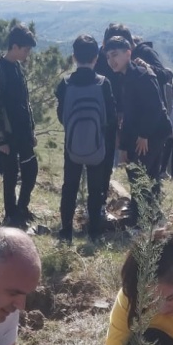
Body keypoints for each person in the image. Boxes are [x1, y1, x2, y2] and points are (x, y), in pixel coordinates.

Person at [54, 34, 116, 243]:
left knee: (69, 188)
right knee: (96, 190)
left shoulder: (65, 84)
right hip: (98, 145)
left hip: (72, 145)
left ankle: (65, 233)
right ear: (95, 59)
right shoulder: (103, 84)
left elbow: (61, 115)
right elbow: (111, 117)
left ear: (74, 57)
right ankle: (94, 234)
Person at [0, 24, 39, 229]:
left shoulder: (18, 67)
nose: (27, 54)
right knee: (10, 174)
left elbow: (26, 102)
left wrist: (31, 130)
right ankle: (11, 214)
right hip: (8, 134)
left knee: (31, 170)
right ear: (14, 47)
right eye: (25, 49)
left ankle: (22, 208)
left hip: (24, 132)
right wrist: (1, 140)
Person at [104, 36, 171, 185]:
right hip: (146, 132)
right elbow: (129, 116)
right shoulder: (124, 77)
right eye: (108, 57)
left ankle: (140, 207)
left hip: (154, 131)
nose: (111, 61)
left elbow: (155, 108)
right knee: (146, 175)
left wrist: (143, 135)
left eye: (115, 55)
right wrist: (123, 148)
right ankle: (147, 207)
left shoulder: (142, 75)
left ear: (128, 53)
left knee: (138, 173)